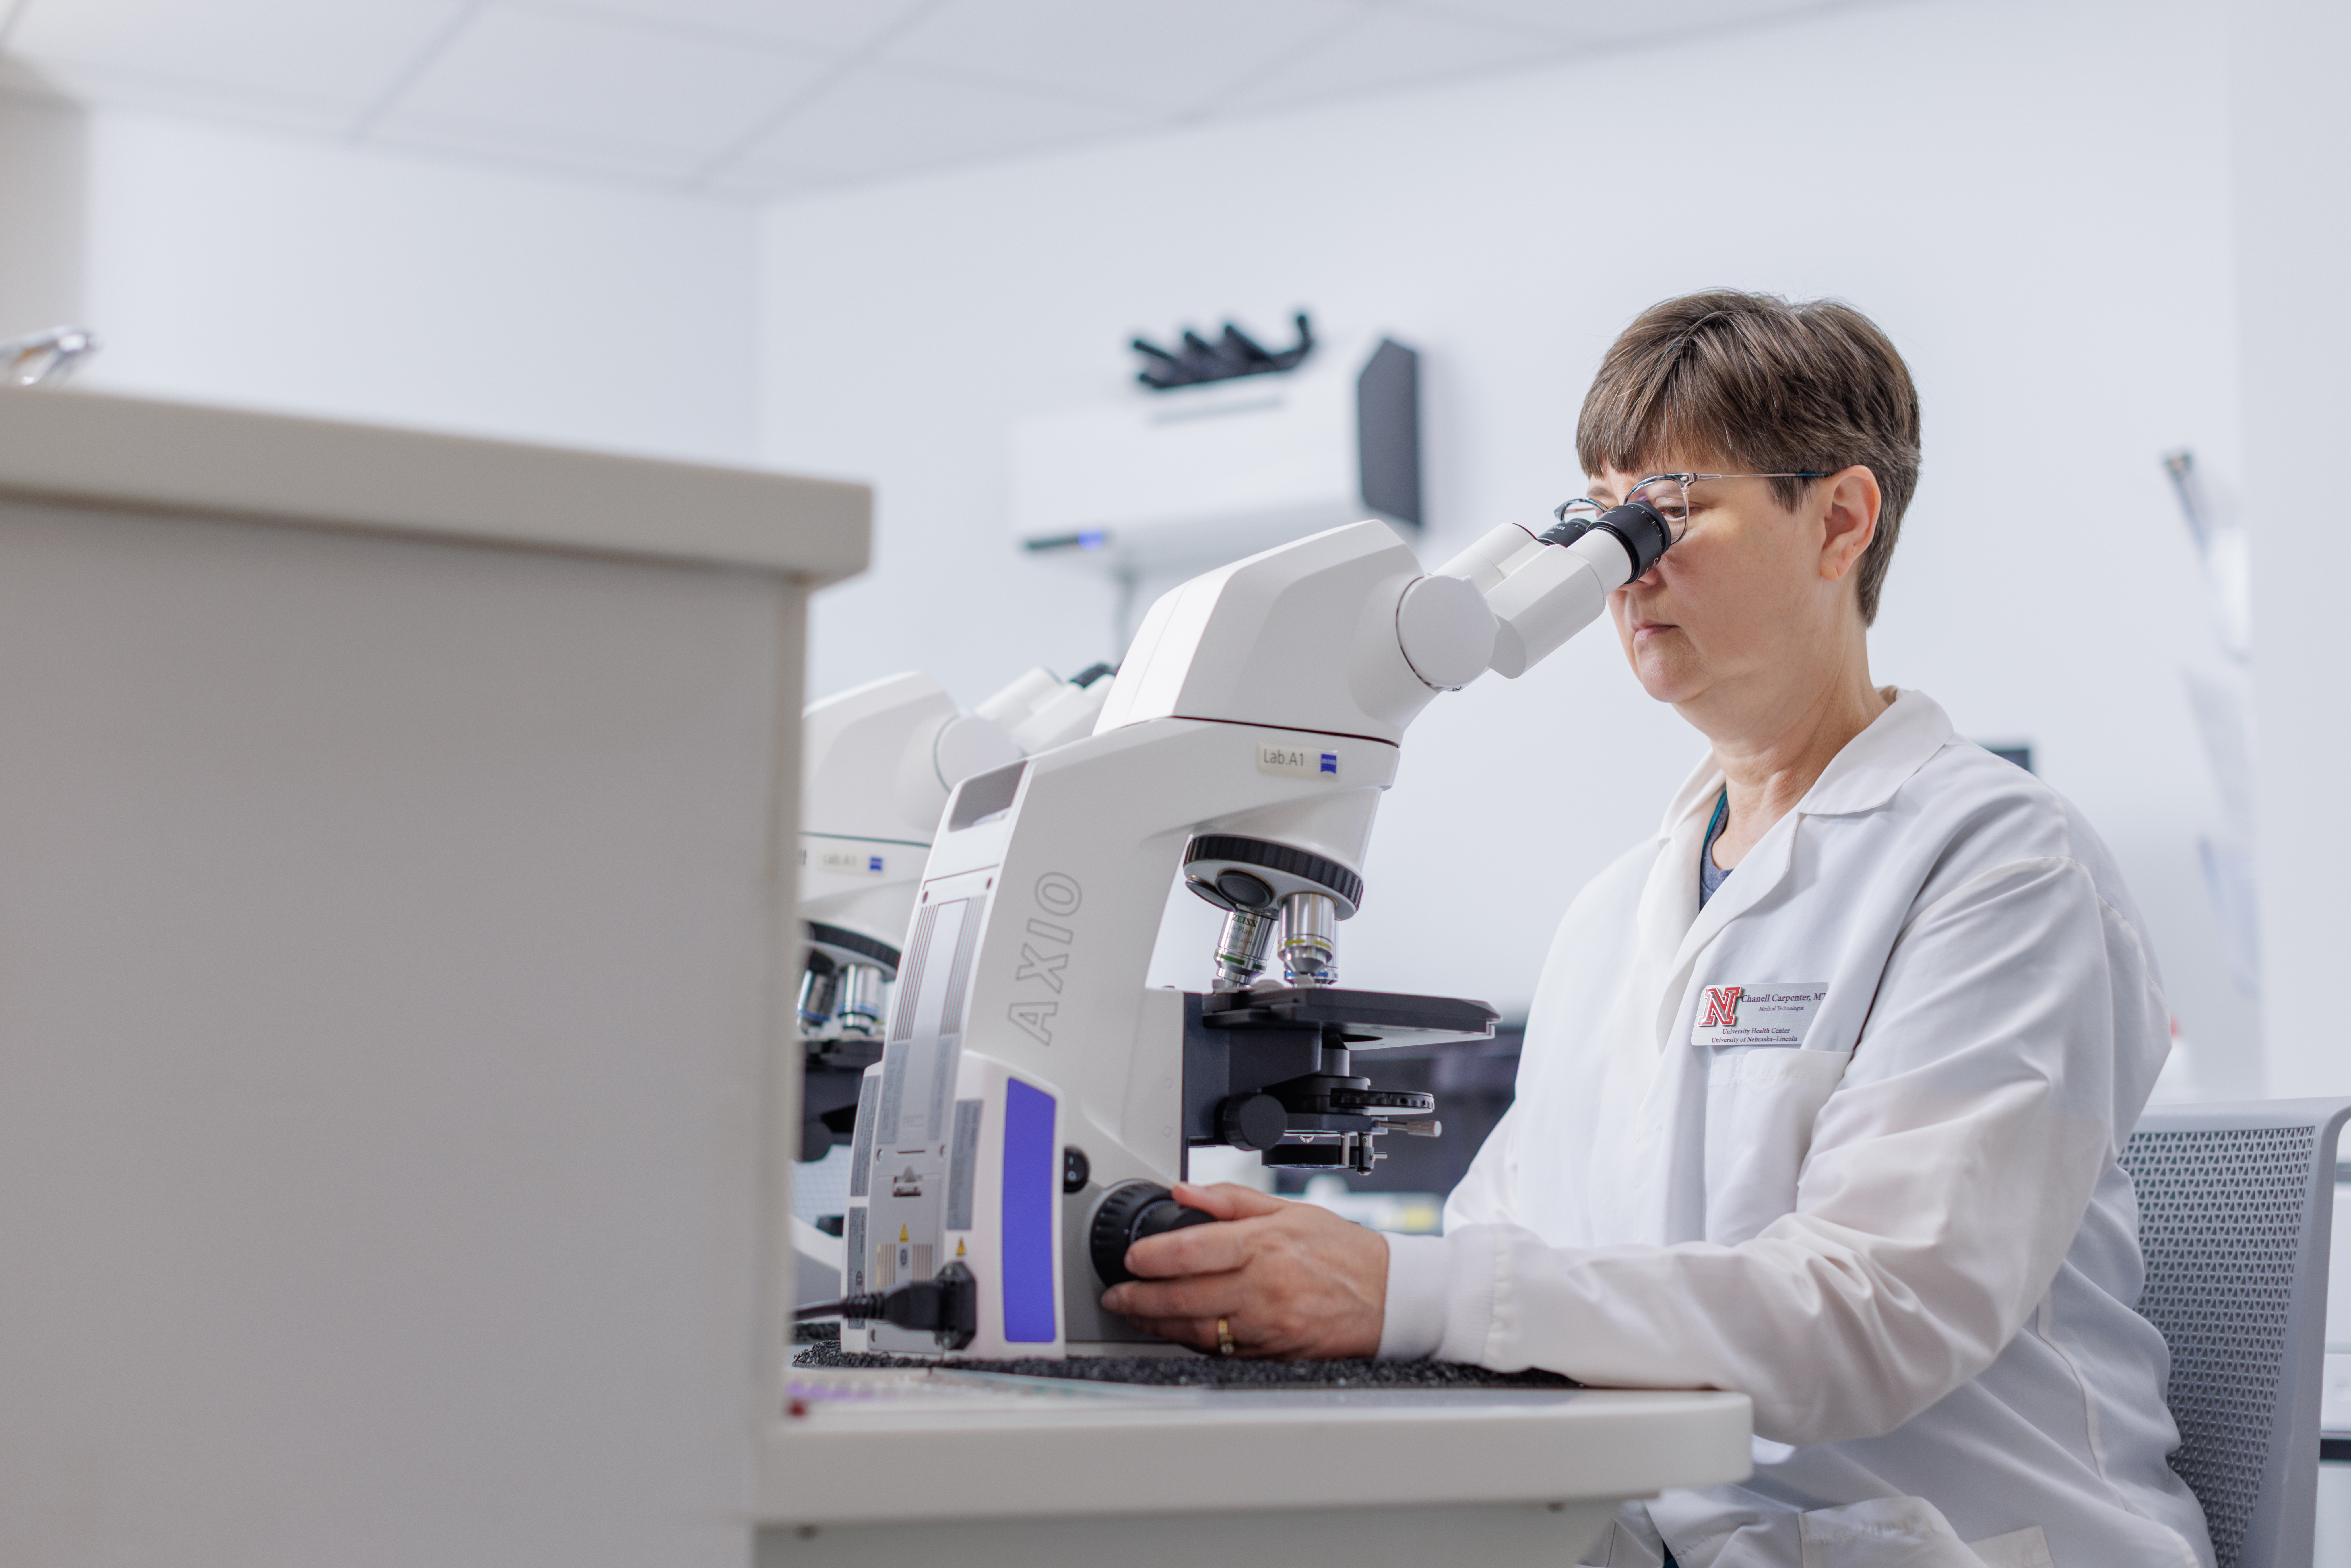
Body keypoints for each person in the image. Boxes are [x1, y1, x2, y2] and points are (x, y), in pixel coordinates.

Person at [1100, 291, 2214, 1568]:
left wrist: (1397, 1290)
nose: (1620, 567)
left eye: (1667, 511)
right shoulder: (1616, 913)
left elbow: (1877, 1313)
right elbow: (1501, 1258)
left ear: (1838, 519)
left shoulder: (1998, 862)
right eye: (1598, 516)